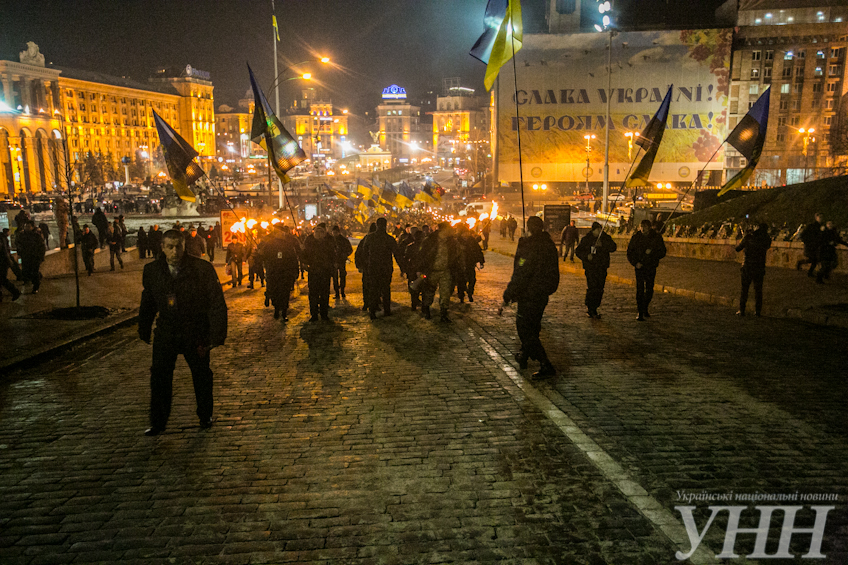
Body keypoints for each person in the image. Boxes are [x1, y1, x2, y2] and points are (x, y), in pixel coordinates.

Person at [138, 229, 228, 436]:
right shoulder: (153, 270)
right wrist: (144, 327)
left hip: (195, 331)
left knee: (201, 376)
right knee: (160, 377)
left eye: (178, 246)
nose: (175, 251)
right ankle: (158, 421)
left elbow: (216, 302)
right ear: (162, 247)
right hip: (166, 331)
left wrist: (216, 335)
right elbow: (148, 301)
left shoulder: (201, 269)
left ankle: (205, 414)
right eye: (170, 246)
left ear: (185, 245)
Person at [500, 216, 559, 379]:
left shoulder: (531, 246)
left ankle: (545, 363)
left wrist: (508, 294)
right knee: (533, 327)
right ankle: (524, 355)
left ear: (529, 228)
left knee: (525, 329)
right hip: (542, 294)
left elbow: (521, 272)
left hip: (530, 294)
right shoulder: (548, 244)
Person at [358, 217, 402, 319]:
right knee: (386, 289)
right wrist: (402, 268)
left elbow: (364, 253)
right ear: (386, 226)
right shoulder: (389, 239)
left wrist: (365, 265)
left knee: (373, 289)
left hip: (373, 268)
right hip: (385, 268)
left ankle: (372, 311)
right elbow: (397, 254)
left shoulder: (370, 238)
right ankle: (386, 310)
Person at [627, 219, 667, 321]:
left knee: (649, 289)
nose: (643, 228)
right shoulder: (636, 238)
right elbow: (630, 252)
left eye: (645, 226)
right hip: (639, 267)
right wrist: (635, 263)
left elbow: (662, 251)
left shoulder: (656, 238)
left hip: (650, 266)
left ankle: (645, 307)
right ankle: (640, 311)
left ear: (649, 227)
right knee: (640, 289)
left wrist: (652, 252)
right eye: (641, 226)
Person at [575, 221, 617, 319]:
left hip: (602, 267)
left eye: (600, 229)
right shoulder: (587, 239)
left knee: (600, 288)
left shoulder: (605, 238)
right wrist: (586, 256)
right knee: (592, 287)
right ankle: (591, 308)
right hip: (591, 267)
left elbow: (613, 247)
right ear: (593, 230)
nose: (599, 231)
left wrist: (603, 245)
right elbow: (578, 251)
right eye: (597, 230)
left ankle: (596, 306)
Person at [417, 222, 458, 322]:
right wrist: (420, 269)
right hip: (432, 271)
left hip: (445, 271)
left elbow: (455, 256)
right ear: (444, 229)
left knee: (445, 293)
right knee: (429, 292)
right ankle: (426, 310)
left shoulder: (451, 242)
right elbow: (422, 255)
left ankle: (443, 314)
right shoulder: (430, 240)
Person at [262, 224, 300, 321]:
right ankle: (276, 308)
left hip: (285, 273)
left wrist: (295, 271)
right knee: (275, 292)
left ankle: (284, 312)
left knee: (285, 292)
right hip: (273, 272)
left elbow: (293, 258)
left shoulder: (288, 244)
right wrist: (259, 254)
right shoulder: (269, 244)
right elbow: (264, 256)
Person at [301, 223, 336, 321]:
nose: (319, 234)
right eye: (317, 232)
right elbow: (304, 255)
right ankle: (314, 314)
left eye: (321, 232)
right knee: (313, 294)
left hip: (325, 271)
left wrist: (332, 265)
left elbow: (333, 255)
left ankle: (324, 313)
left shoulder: (328, 242)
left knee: (325, 293)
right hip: (313, 271)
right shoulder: (309, 241)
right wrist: (306, 263)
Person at [735, 222, 772, 316]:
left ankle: (742, 310)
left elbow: (738, 248)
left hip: (747, 266)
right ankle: (758, 311)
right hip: (759, 267)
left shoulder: (749, 237)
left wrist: (745, 236)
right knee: (758, 290)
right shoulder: (766, 239)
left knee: (745, 289)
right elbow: (767, 245)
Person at [455, 224, 485, 303]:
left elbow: (478, 251)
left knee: (472, 280)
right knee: (461, 282)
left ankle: (470, 293)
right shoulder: (457, 241)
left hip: (470, 264)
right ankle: (461, 296)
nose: (466, 234)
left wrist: (481, 261)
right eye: (465, 233)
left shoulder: (472, 240)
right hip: (460, 265)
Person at [16, 221, 46, 294]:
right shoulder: (22, 236)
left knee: (34, 272)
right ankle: (37, 278)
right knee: (26, 272)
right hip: (26, 257)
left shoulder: (36, 236)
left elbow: (42, 247)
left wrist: (40, 256)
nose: (27, 228)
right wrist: (20, 252)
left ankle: (36, 287)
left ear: (32, 227)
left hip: (35, 257)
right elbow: (18, 244)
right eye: (26, 226)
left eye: (28, 226)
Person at [354, 223, 378, 312]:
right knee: (375, 286)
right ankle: (374, 303)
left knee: (367, 286)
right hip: (374, 267)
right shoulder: (376, 239)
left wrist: (359, 265)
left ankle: (367, 303)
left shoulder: (365, 239)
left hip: (367, 267)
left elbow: (358, 253)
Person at [403, 229, 426, 311]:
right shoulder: (426, 247)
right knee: (424, 288)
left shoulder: (410, 247)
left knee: (413, 288)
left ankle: (414, 304)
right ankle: (423, 306)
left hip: (412, 270)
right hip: (422, 270)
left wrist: (405, 269)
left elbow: (406, 259)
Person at [331, 225, 353, 299]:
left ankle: (342, 291)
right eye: (333, 232)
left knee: (342, 276)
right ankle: (337, 293)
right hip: (333, 262)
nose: (334, 234)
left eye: (335, 232)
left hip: (341, 261)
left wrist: (344, 255)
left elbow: (350, 249)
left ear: (338, 232)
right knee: (335, 278)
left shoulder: (343, 240)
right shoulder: (331, 240)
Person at [0, 227, 22, 301]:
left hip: (2, 262)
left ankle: (15, 291)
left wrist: (9, 261)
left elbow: (5, 251)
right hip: (4, 261)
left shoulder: (1, 238)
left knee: (2, 279)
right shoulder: (2, 237)